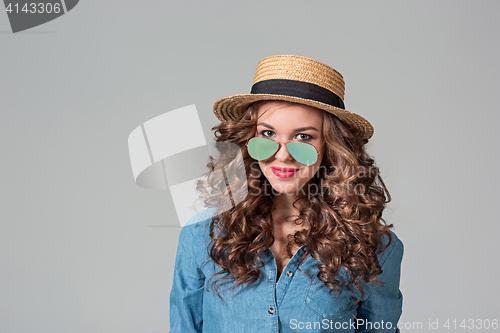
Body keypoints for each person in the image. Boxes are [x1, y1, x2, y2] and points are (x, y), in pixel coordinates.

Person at [169, 55, 404, 332]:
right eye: (267, 134)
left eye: (303, 137)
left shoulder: (373, 247)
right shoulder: (202, 234)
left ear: (331, 145)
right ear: (248, 140)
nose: (282, 155)